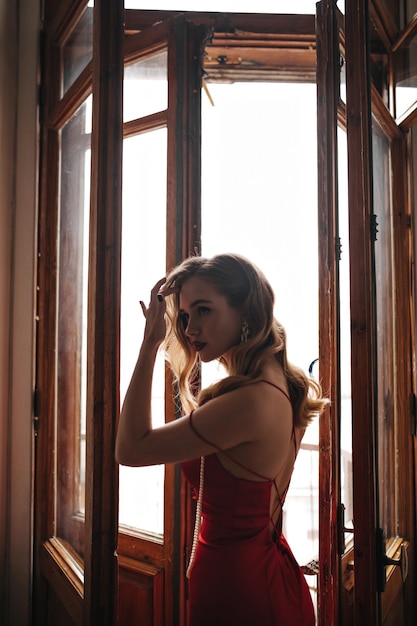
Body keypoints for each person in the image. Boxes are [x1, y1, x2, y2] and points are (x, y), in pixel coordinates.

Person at [115, 253, 328, 626]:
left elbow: (130, 448)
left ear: (245, 310)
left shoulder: (247, 401)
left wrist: (150, 344)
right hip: (265, 575)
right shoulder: (280, 383)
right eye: (184, 316)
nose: (189, 328)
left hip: (237, 590)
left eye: (204, 310)